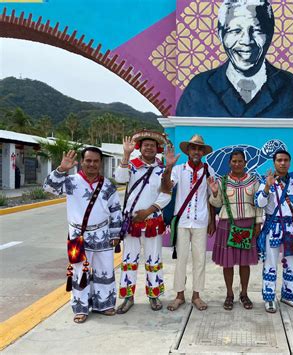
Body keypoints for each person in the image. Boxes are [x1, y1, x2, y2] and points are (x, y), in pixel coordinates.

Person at [176, 0, 293, 118]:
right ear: (220, 34)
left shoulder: (291, 87)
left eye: (257, 30)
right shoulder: (199, 88)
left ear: (270, 33)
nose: (246, 41)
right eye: (235, 31)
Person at [43, 147, 122, 324]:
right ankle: (81, 308)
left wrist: (116, 233)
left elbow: (116, 210)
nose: (92, 164)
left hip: (103, 234)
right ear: (82, 161)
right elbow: (48, 187)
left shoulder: (108, 185)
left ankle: (105, 304)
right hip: (78, 235)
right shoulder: (71, 181)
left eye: (95, 161)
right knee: (79, 272)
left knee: (105, 270)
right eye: (88, 161)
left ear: (100, 163)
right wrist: (61, 169)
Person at [114, 130, 172, 314]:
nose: (149, 148)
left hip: (152, 220)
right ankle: (128, 297)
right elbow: (120, 179)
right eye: (146, 145)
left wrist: (148, 211)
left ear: (157, 149)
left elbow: (166, 194)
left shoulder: (162, 169)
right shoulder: (131, 165)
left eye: (152, 146)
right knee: (129, 259)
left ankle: (153, 296)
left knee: (153, 259)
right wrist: (125, 154)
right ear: (140, 147)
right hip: (132, 221)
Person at [162, 134, 216, 312]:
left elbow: (211, 196)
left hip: (201, 221)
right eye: (193, 148)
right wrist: (168, 168)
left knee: (200, 260)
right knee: (181, 260)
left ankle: (196, 295)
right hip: (182, 220)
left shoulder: (209, 170)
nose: (197, 151)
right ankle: (179, 295)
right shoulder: (178, 169)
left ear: (203, 152)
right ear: (188, 151)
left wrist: (212, 220)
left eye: (200, 149)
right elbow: (166, 188)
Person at [208, 150, 263, 310]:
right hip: (227, 224)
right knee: (228, 263)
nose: (237, 164)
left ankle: (244, 294)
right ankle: (229, 294)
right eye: (234, 161)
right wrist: (215, 192)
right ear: (229, 163)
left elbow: (258, 204)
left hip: (248, 224)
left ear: (245, 163)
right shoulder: (222, 181)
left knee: (245, 263)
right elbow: (217, 204)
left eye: (240, 161)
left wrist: (258, 222)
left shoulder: (254, 181)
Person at [255, 150, 293, 313]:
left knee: (292, 263)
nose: (282, 163)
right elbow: (259, 203)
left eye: (285, 160)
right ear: (274, 162)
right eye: (279, 160)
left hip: (291, 228)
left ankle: (289, 295)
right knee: (270, 263)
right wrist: (268, 187)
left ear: (290, 163)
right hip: (273, 226)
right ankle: (269, 298)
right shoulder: (265, 181)